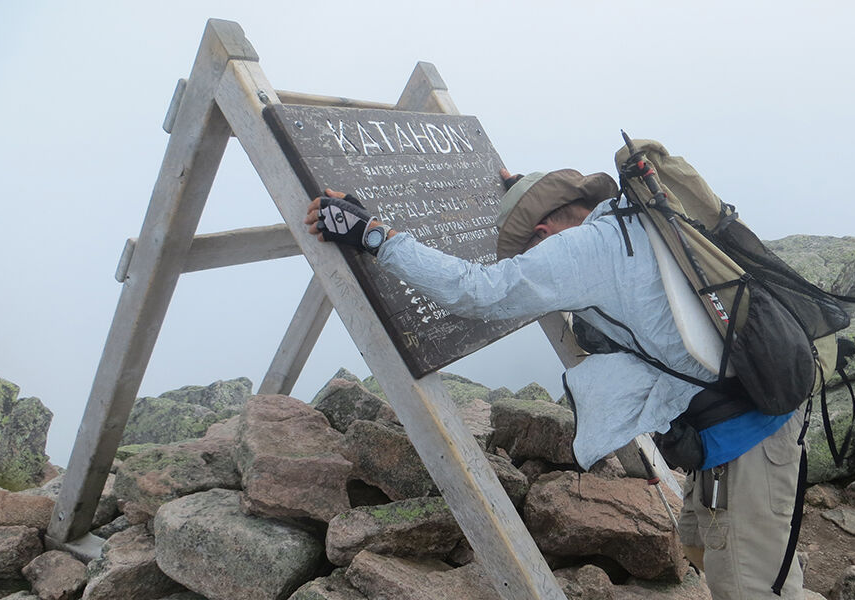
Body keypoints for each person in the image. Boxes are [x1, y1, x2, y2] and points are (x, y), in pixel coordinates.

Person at [305, 167, 806, 599]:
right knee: (731, 555)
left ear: (545, 231)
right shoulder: (633, 218)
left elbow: (479, 292)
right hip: (756, 418)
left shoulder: (580, 246)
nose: (536, 265)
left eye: (531, 250)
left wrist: (375, 237)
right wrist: (524, 187)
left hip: (744, 441)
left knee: (749, 585)